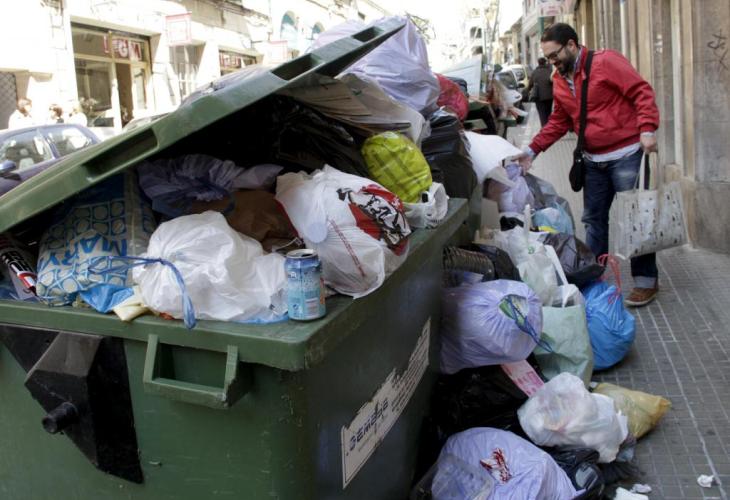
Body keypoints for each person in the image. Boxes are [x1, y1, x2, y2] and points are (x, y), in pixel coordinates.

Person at [518, 23, 660, 307]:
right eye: (547, 58)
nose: (552, 62)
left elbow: (641, 92)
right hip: (593, 161)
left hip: (627, 155)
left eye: (555, 55)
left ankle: (646, 281)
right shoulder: (560, 80)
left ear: (571, 45)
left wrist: (647, 128)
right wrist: (532, 150)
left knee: (637, 218)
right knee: (593, 221)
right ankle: (594, 279)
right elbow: (559, 121)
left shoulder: (607, 62)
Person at [527, 57, 554, 127]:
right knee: (548, 112)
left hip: (539, 97)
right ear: (545, 63)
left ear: (538, 63)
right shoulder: (549, 71)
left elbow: (530, 84)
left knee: (542, 114)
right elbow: (553, 82)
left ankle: (544, 128)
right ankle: (548, 127)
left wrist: (528, 90)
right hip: (549, 97)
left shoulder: (535, 72)